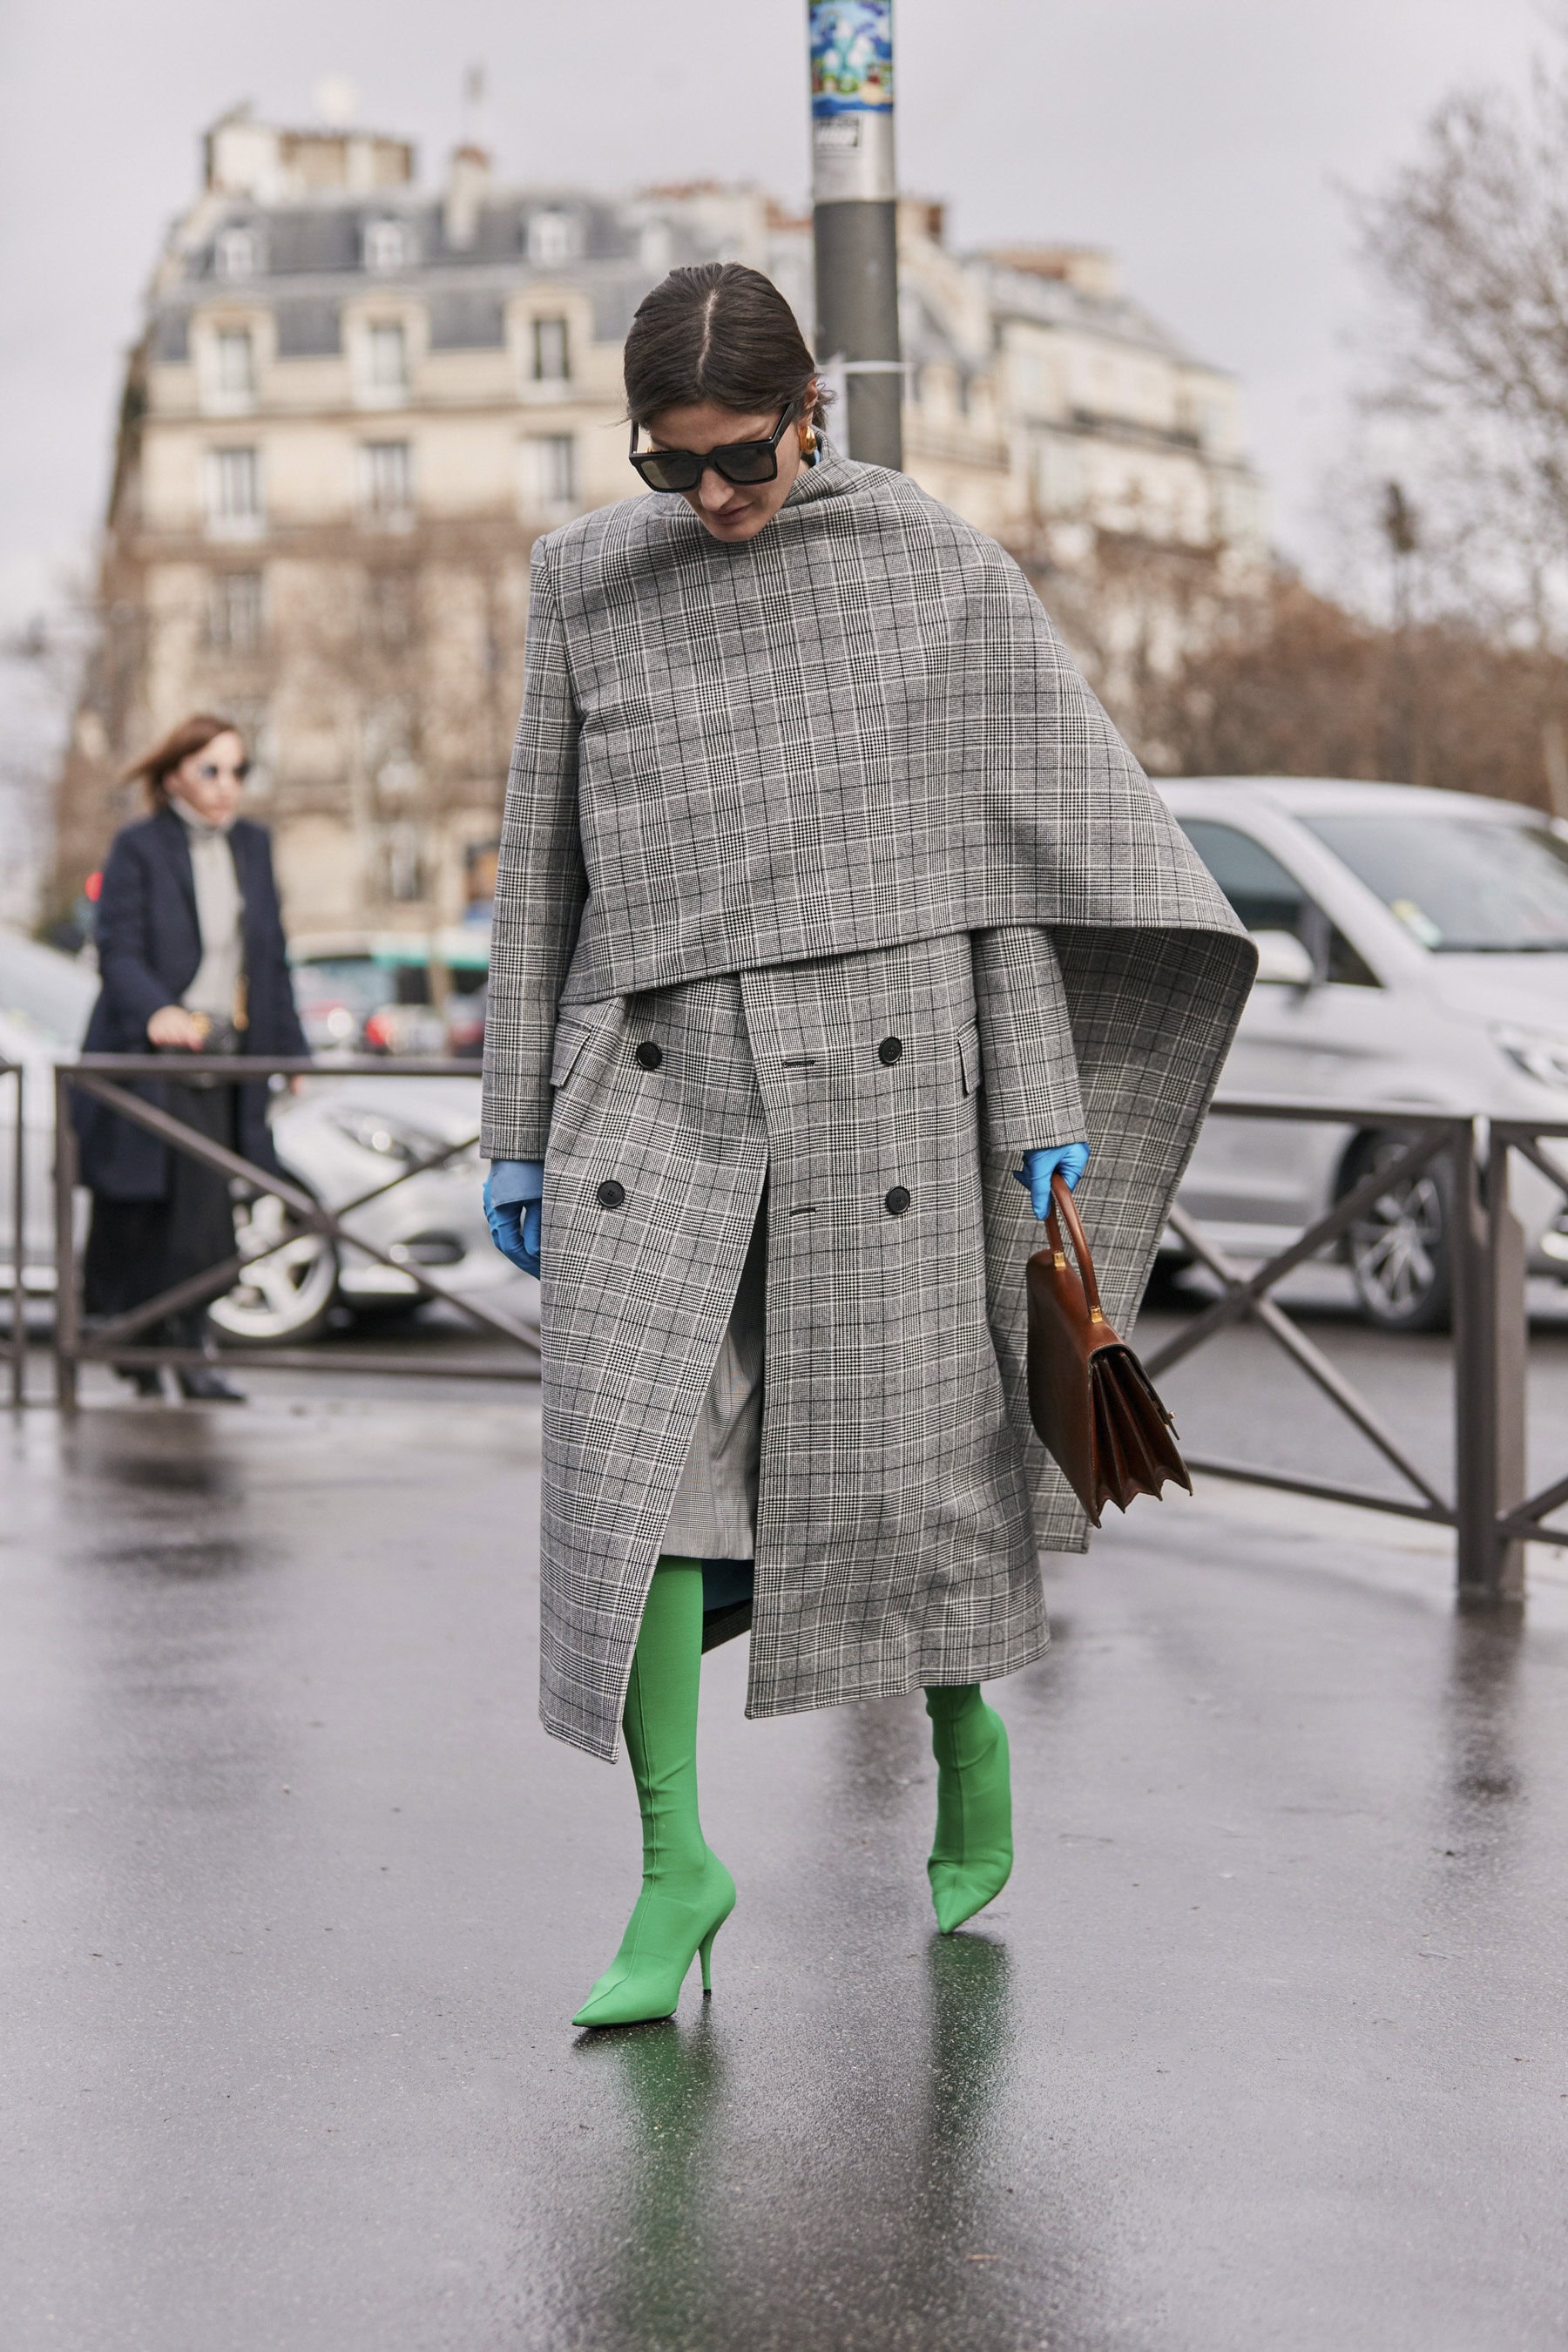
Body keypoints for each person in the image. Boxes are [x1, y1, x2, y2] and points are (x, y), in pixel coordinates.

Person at [481, 263, 1255, 2028]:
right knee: (643, 1476)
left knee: (909, 1453)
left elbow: (1011, 874)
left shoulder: (929, 563)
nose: (717, 499)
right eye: (673, 468)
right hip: (655, 1087)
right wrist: (513, 1123)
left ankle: (963, 1725)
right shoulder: (585, 580)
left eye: (742, 457)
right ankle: (677, 1859)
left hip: (887, 1066)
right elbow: (541, 867)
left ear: (808, 410)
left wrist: (1043, 1111)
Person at [77, 713, 308, 1402]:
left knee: (208, 1212)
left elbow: (272, 958)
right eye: (211, 770)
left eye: (239, 770)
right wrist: (159, 1011)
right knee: (150, 1208)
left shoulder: (254, 847)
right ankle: (149, 1345)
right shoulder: (140, 847)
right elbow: (115, 950)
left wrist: (291, 1048)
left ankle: (189, 1343)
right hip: (150, 1062)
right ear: (175, 773)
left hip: (227, 1059)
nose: (226, 786)